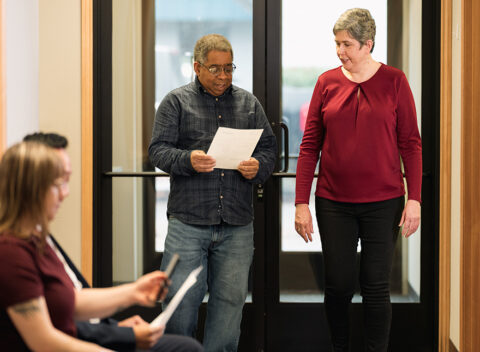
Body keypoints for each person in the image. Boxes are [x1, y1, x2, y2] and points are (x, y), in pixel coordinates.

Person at [294, 8, 422, 352]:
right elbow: (309, 147)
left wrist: (415, 199)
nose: (340, 51)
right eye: (337, 44)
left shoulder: (395, 81)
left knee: (376, 285)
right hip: (334, 202)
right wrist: (301, 202)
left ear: (368, 44)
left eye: (347, 44)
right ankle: (340, 347)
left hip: (384, 202)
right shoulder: (326, 82)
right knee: (337, 285)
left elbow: (411, 143)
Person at [149, 33, 276, 351]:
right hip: (188, 223)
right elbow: (158, 151)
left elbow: (269, 150)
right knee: (178, 302)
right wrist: (187, 160)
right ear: (197, 67)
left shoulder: (249, 104)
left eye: (229, 68)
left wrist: (257, 167)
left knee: (230, 305)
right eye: (215, 68)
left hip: (236, 224)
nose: (223, 76)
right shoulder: (176, 102)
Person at [23, 132, 204, 352]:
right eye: (59, 182)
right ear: (31, 184)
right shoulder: (15, 252)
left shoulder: (40, 236)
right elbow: (47, 339)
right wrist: (121, 334)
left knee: (186, 347)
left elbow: (72, 301)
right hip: (86, 341)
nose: (65, 193)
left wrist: (130, 300)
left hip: (96, 332)